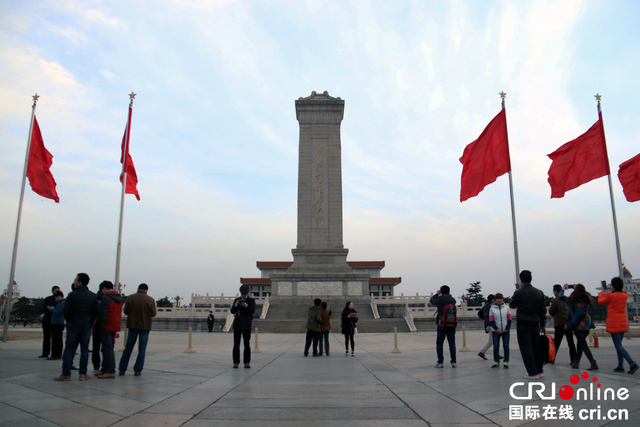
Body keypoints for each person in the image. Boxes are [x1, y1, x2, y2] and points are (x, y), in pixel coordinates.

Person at [54, 273, 98, 381]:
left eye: (75, 280)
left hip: (73, 325)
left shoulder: (72, 295)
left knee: (69, 349)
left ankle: (66, 373)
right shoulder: (93, 296)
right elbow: (96, 312)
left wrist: (69, 321)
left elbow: (66, 311)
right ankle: (83, 374)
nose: (74, 282)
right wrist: (89, 321)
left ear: (80, 282)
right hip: (86, 325)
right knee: (84, 350)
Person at [510, 270, 546, 379]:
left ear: (521, 280)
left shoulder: (519, 293)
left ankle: (532, 372)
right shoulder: (539, 292)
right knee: (536, 347)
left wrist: (514, 294)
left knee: (526, 348)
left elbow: (512, 305)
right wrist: (542, 324)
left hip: (523, 324)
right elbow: (543, 310)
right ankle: (539, 370)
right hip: (535, 323)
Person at [598, 277, 638, 374]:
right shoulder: (624, 295)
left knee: (618, 346)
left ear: (613, 286)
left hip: (614, 323)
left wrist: (602, 292)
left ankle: (632, 363)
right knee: (619, 345)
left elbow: (600, 301)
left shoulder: (610, 296)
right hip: (623, 322)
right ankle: (620, 365)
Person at [118, 283, 157, 376]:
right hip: (145, 326)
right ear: (146, 290)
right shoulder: (150, 300)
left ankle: (122, 369)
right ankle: (137, 370)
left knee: (128, 348)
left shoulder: (130, 298)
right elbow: (153, 314)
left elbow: (126, 311)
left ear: (138, 288)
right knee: (142, 349)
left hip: (132, 325)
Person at [566, 284, 598, 371]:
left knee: (583, 344)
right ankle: (576, 362)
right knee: (580, 343)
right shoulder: (586, 298)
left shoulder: (572, 300)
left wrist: (566, 288)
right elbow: (587, 293)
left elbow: (563, 299)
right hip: (586, 322)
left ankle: (592, 362)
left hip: (577, 322)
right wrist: (577, 287)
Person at [95, 281, 122, 379]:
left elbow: (103, 313)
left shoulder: (106, 297)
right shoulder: (118, 297)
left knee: (107, 348)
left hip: (106, 325)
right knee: (107, 347)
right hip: (115, 324)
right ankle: (105, 369)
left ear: (104, 288)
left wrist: (99, 325)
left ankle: (110, 370)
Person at [548, 284, 576, 365]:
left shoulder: (556, 300)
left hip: (559, 324)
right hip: (568, 324)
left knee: (556, 343)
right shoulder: (567, 300)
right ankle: (573, 360)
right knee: (571, 342)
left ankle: (552, 359)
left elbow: (551, 312)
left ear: (556, 291)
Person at [430, 285, 457, 368]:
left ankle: (440, 362)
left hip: (441, 324)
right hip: (451, 324)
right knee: (452, 344)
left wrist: (437, 294)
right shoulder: (453, 300)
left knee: (439, 344)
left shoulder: (440, 300)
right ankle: (453, 362)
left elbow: (431, 301)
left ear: (441, 291)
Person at [230, 284, 255, 368]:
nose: (243, 295)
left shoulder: (251, 301)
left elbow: (252, 311)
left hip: (246, 325)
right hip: (237, 325)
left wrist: (246, 306)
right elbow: (232, 311)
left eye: (245, 293)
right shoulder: (237, 300)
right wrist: (236, 305)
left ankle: (247, 362)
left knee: (247, 344)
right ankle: (236, 362)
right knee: (236, 344)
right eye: (242, 293)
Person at [489, 293, 511, 369]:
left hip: (505, 331)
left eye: (500, 299)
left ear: (502, 300)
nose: (499, 300)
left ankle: (506, 361)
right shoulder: (492, 309)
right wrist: (496, 328)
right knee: (496, 346)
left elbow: (509, 319)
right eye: (497, 299)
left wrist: (507, 328)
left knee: (506, 346)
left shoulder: (506, 308)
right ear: (494, 300)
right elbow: (491, 321)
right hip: (496, 331)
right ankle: (496, 361)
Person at [39, 285, 60, 359]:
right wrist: (52, 309)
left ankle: (55, 354)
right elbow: (44, 308)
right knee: (46, 337)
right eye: (55, 290)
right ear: (52, 291)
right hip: (47, 320)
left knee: (55, 338)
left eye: (58, 290)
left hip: (55, 321)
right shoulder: (47, 299)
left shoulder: (59, 300)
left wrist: (51, 308)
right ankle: (45, 353)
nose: (57, 292)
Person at [48, 290, 65, 360]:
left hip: (58, 323)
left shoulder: (62, 303)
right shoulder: (61, 303)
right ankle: (57, 354)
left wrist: (52, 309)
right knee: (58, 339)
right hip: (58, 323)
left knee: (56, 339)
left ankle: (55, 354)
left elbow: (58, 312)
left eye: (56, 298)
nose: (55, 299)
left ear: (59, 296)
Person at [477, 294, 495, 360]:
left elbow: (479, 313)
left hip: (487, 324)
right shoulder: (491, 306)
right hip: (491, 325)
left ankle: (496, 353)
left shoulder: (485, 306)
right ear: (492, 300)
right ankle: (482, 352)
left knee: (495, 340)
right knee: (492, 341)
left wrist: (484, 319)